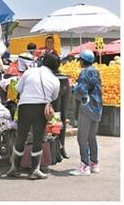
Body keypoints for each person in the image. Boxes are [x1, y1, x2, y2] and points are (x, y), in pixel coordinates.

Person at [7, 51, 61, 179]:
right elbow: (54, 97)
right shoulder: (55, 80)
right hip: (41, 109)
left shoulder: (29, 72)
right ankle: (34, 171)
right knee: (38, 139)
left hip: (24, 106)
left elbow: (18, 88)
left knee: (21, 137)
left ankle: (15, 168)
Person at [70, 50, 102, 176]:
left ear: (83, 60)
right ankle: (94, 164)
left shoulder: (84, 72)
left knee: (82, 138)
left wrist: (73, 88)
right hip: (97, 107)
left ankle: (84, 166)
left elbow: (81, 91)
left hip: (87, 107)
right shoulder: (95, 70)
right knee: (92, 137)